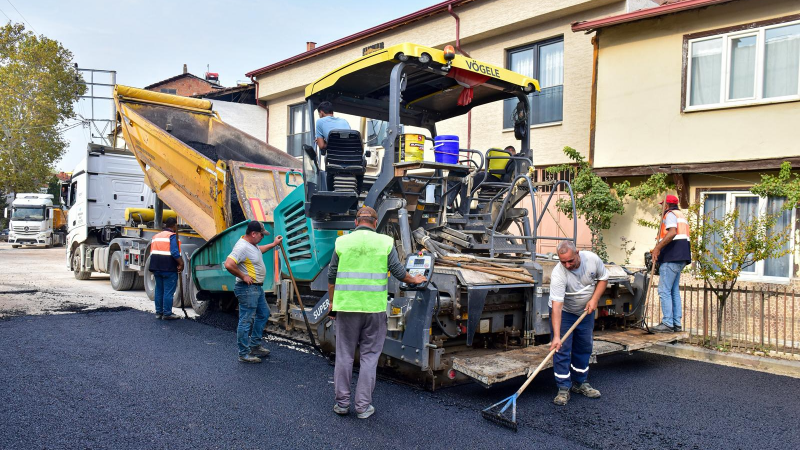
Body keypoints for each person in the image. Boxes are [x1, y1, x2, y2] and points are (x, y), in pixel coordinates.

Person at [328, 206, 426, 419]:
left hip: (346, 307)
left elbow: (332, 275)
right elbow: (399, 272)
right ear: (375, 223)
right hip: (374, 309)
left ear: (356, 222)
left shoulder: (342, 242)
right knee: (370, 357)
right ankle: (363, 407)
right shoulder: (385, 242)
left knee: (344, 356)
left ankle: (342, 404)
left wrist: (332, 303)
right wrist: (415, 279)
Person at [548, 240, 608, 406]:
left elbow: (603, 278)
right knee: (561, 348)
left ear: (577, 253)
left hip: (585, 312)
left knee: (584, 346)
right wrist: (557, 337)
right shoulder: (558, 274)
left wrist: (595, 299)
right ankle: (563, 387)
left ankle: (580, 382)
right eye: (563, 262)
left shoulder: (592, 260)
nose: (567, 265)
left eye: (570, 261)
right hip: (565, 313)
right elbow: (557, 307)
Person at [224, 220, 283, 363]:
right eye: (261, 235)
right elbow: (229, 264)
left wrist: (274, 244)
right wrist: (243, 276)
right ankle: (244, 353)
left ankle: (255, 345)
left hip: (256, 288)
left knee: (263, 313)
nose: (263, 237)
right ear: (253, 234)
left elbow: (259, 251)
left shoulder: (252, 245)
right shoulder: (242, 247)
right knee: (246, 320)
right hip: (247, 289)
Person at [650, 194, 691, 333]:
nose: (661, 207)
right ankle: (676, 323)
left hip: (671, 257)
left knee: (664, 290)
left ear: (667, 205)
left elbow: (672, 233)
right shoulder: (681, 215)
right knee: (673, 291)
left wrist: (657, 248)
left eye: (663, 205)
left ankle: (667, 323)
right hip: (681, 257)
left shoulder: (670, 214)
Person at [149, 217, 183, 320]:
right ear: (174, 226)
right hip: (168, 268)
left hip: (156, 267)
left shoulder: (156, 236)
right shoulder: (172, 236)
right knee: (168, 291)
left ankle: (159, 312)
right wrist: (181, 263)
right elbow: (174, 252)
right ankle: (167, 313)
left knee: (159, 290)